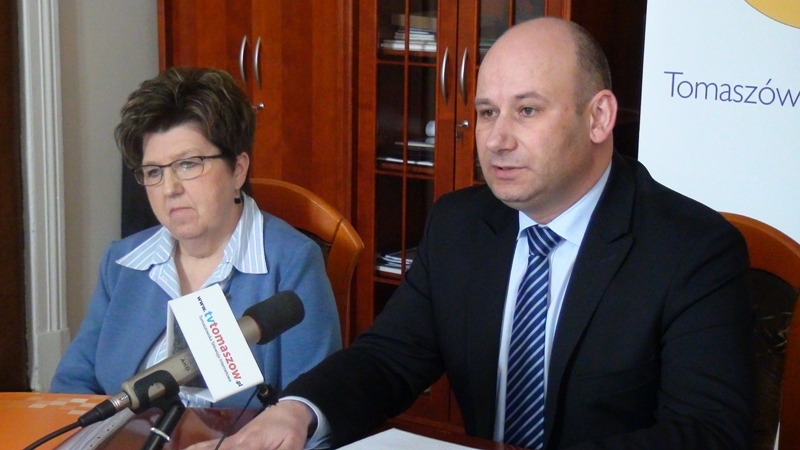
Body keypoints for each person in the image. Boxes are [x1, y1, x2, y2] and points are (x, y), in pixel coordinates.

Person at [188, 17, 754, 449]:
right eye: (486, 113)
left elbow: (708, 432)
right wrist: (298, 411)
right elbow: (389, 359)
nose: (497, 140)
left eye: (527, 111)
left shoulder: (693, 250)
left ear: (598, 118)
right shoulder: (460, 224)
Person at [50, 67, 342, 409]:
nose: (169, 189)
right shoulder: (122, 262)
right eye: (154, 171)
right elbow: (71, 386)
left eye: (188, 164)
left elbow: (308, 406)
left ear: (238, 169)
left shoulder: (292, 263)